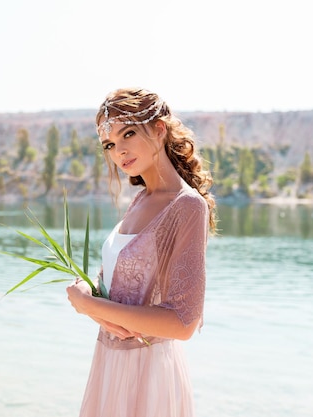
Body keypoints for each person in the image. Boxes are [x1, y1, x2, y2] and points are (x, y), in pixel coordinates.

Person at [66, 87, 217, 417]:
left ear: (159, 130)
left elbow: (183, 323)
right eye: (109, 144)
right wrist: (85, 297)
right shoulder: (139, 201)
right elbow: (117, 287)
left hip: (150, 375)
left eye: (128, 134)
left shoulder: (187, 206)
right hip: (109, 365)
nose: (119, 151)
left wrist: (89, 304)